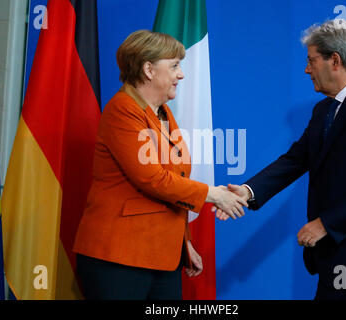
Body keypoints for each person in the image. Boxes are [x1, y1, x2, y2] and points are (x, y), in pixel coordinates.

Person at [217, 20, 346, 300]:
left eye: (311, 61)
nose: (307, 69)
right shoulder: (324, 109)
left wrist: (325, 223)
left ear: (335, 60)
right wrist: (248, 191)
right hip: (332, 252)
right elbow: (296, 159)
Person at [73, 30, 247, 300]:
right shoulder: (122, 109)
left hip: (161, 255)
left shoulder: (163, 113)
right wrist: (214, 194)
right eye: (175, 65)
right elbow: (151, 178)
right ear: (148, 69)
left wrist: (183, 243)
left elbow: (174, 178)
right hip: (119, 255)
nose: (181, 74)